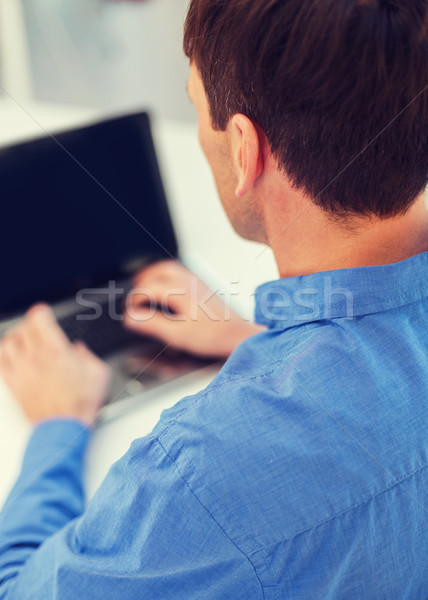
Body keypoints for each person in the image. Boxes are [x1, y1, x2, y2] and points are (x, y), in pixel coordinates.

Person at [0, 0, 427, 597]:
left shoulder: (201, 476)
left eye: (198, 109)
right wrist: (255, 341)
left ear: (245, 149)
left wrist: (58, 423)